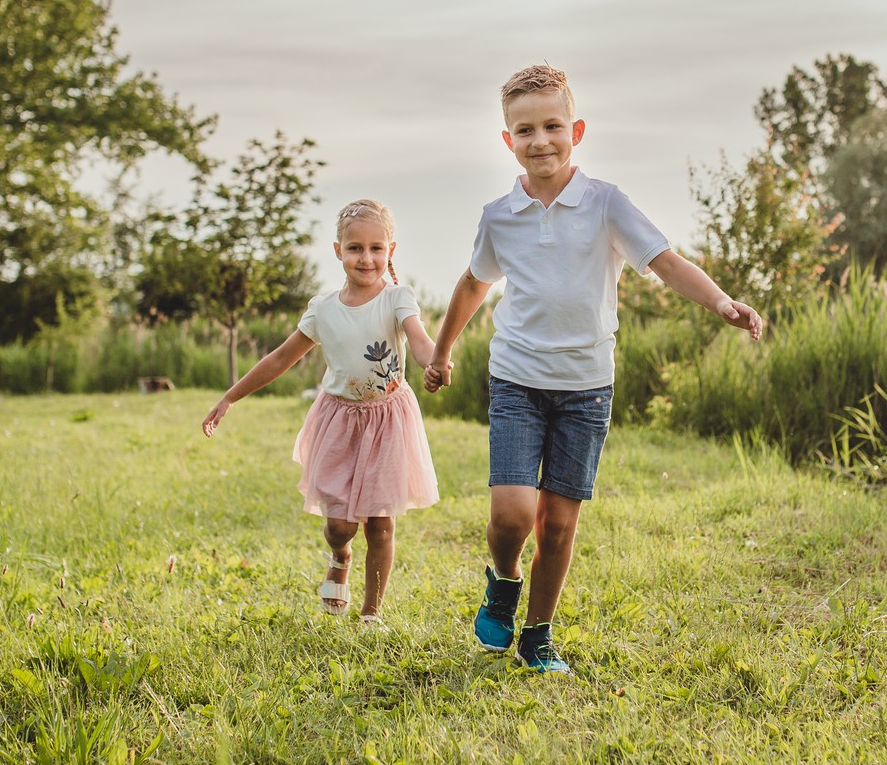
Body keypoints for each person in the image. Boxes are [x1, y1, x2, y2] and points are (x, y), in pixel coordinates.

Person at [424, 64, 763, 673]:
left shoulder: (605, 203)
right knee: (512, 514)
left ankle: (538, 636)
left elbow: (664, 261)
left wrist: (719, 301)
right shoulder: (499, 215)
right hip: (517, 380)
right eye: (524, 130)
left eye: (552, 125)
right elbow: (473, 284)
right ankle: (503, 580)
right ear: (508, 141)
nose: (540, 140)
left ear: (575, 130)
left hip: (586, 388)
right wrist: (444, 350)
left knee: (557, 523)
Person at [202, 199, 440, 627]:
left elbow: (418, 339)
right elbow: (279, 359)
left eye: (375, 249)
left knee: (381, 523)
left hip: (388, 420)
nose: (365, 259)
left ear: (390, 250)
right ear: (337, 251)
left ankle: (371, 612)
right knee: (340, 525)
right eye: (355, 249)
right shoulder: (323, 308)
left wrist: (435, 362)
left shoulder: (397, 298)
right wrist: (230, 398)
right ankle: (339, 555)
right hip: (340, 421)